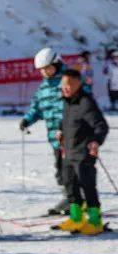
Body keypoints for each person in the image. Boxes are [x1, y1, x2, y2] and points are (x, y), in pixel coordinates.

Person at [54, 69, 109, 235]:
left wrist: (95, 141)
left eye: (69, 84)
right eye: (63, 84)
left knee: (87, 186)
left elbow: (101, 126)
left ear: (78, 83)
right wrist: (60, 131)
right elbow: (67, 122)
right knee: (70, 185)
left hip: (84, 152)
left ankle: (95, 220)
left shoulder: (85, 102)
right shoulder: (67, 101)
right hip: (69, 151)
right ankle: (77, 218)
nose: (65, 87)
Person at [20, 47, 71, 215]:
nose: (45, 72)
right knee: (60, 170)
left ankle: (75, 199)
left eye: (48, 68)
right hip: (55, 137)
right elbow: (37, 108)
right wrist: (27, 119)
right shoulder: (43, 88)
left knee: (72, 169)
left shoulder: (69, 81)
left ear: (57, 64)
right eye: (42, 70)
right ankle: (70, 198)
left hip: (72, 135)